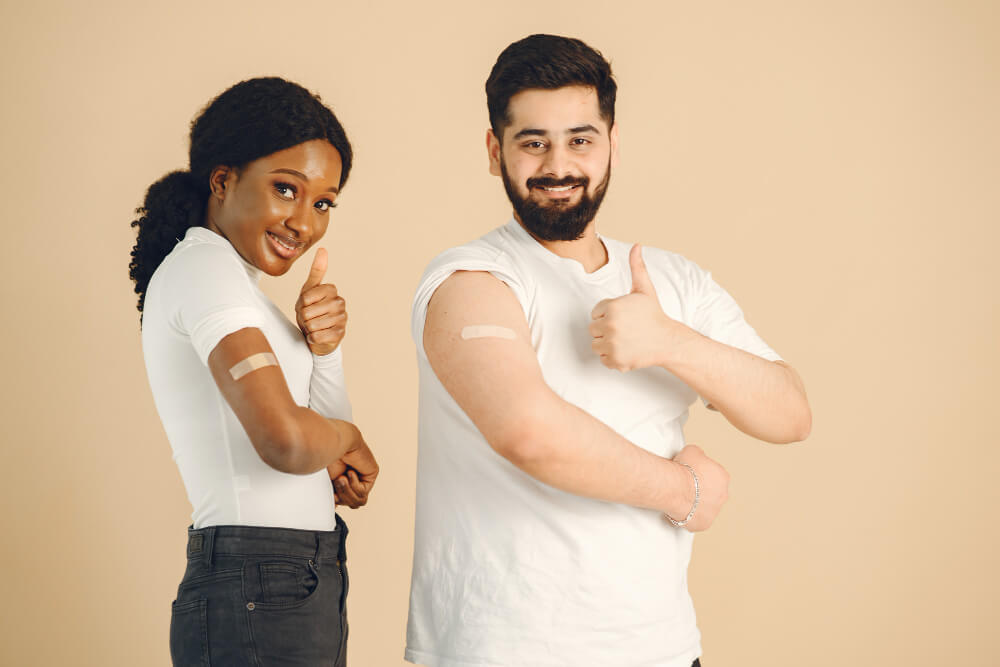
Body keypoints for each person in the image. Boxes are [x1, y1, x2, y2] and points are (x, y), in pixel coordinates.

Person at [405, 35, 811, 667]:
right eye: (533, 141)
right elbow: (528, 433)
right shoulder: (471, 281)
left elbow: (789, 414)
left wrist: (671, 341)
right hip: (503, 650)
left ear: (612, 144)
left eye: (581, 139)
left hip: (663, 648)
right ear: (495, 151)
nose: (558, 164)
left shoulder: (672, 279)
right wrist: (686, 493)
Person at [129, 77, 378, 666]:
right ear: (223, 181)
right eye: (286, 189)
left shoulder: (239, 291)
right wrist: (349, 439)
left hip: (290, 577)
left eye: (322, 203)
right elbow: (289, 441)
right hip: (258, 582)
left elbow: (320, 457)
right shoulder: (207, 274)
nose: (304, 222)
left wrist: (323, 348)